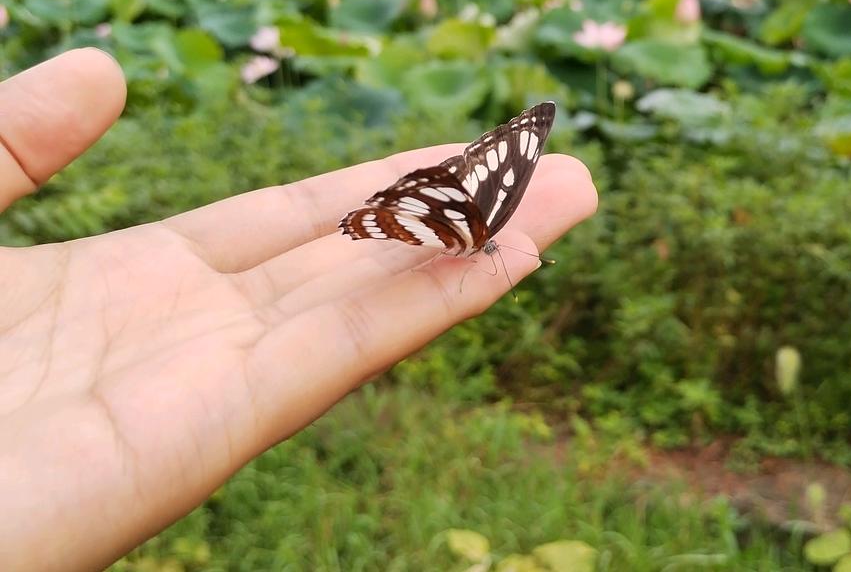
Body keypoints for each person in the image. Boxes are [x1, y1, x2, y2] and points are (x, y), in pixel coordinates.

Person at [0, 49, 596, 572]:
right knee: (466, 221)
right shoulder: (471, 224)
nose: (492, 248)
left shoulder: (477, 221)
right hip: (421, 210)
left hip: (425, 209)